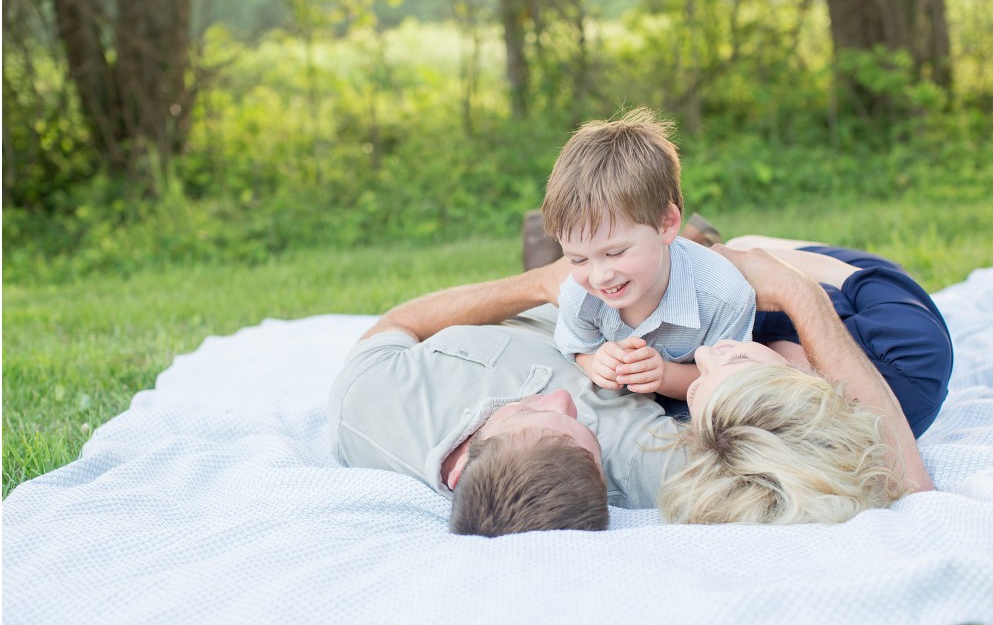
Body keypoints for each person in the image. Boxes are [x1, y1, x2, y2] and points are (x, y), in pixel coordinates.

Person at [327, 224, 949, 535]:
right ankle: (675, 244)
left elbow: (400, 322)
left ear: (464, 465)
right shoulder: (644, 473)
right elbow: (891, 470)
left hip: (565, 302)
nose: (561, 395)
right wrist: (794, 293)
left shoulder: (372, 410)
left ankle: (586, 249)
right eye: (582, 424)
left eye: (532, 413)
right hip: (664, 326)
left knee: (610, 237)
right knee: (712, 255)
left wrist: (536, 287)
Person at [657, 236, 953, 525]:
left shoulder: (714, 425)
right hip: (841, 277)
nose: (702, 354)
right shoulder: (910, 359)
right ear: (799, 385)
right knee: (745, 244)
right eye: (737, 361)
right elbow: (850, 276)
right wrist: (787, 281)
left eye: (695, 392)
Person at [540, 108, 756, 403]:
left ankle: (704, 240)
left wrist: (666, 377)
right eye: (578, 259)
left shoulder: (726, 296)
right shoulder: (579, 295)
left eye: (615, 252)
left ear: (666, 223)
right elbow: (577, 347)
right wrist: (592, 362)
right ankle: (698, 235)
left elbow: (733, 380)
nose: (599, 275)